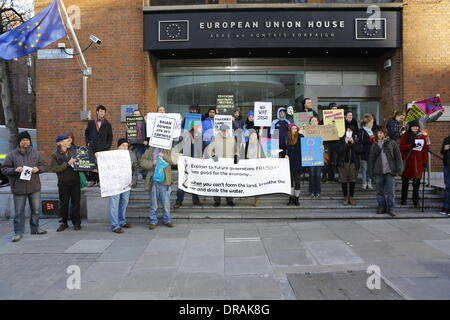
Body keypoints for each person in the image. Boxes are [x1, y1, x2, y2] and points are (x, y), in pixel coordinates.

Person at [1, 131, 48, 242]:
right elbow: (3, 169)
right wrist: (14, 170)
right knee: (19, 212)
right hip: (19, 188)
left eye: (27, 140)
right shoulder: (11, 155)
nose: (25, 142)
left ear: (30, 141)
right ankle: (18, 232)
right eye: (23, 140)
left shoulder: (36, 153)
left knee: (36, 210)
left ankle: (35, 228)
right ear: (19, 142)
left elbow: (45, 165)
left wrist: (39, 169)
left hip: (34, 187)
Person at [368, 126, 403, 216]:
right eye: (378, 133)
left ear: (385, 133)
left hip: (390, 171)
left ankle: (391, 208)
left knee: (390, 191)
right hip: (378, 172)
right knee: (379, 191)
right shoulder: (374, 144)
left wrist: (399, 168)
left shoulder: (392, 143)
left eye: (381, 133)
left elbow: (398, 157)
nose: (379, 134)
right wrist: (370, 172)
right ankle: (381, 207)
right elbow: (371, 159)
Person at [51, 135, 82, 232]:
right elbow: (55, 169)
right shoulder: (55, 155)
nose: (69, 142)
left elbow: (83, 163)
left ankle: (76, 222)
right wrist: (68, 163)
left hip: (75, 182)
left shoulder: (74, 152)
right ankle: (63, 222)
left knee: (76, 203)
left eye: (69, 141)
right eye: (67, 141)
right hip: (63, 183)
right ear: (60, 143)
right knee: (63, 204)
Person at [141, 144, 175, 229]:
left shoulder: (169, 149)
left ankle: (167, 220)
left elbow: (174, 160)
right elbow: (142, 161)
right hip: (153, 180)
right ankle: (153, 221)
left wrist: (164, 156)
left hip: (165, 180)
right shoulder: (150, 149)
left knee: (166, 202)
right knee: (153, 203)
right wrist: (152, 163)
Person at [107, 138, 136, 233]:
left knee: (124, 203)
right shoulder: (111, 155)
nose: (125, 147)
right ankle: (115, 226)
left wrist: (134, 181)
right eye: (123, 145)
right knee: (114, 205)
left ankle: (122, 221)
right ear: (118, 146)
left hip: (126, 183)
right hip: (114, 184)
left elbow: (136, 168)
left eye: (126, 146)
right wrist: (97, 156)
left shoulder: (131, 155)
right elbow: (102, 163)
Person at [206, 124, 239, 207]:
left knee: (229, 183)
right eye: (223, 131)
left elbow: (236, 150)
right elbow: (209, 150)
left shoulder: (232, 140)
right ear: (220, 131)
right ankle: (217, 200)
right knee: (217, 183)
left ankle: (229, 200)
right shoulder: (215, 139)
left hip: (229, 166)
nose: (225, 132)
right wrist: (214, 157)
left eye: (227, 130)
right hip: (218, 166)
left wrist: (236, 156)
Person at [172, 120, 203, 208]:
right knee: (182, 181)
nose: (200, 129)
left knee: (195, 181)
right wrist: (178, 154)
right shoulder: (185, 136)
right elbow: (176, 148)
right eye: (199, 127)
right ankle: (179, 201)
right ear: (194, 127)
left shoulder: (199, 137)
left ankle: (195, 199)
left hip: (195, 164)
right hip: (185, 163)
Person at [399, 120, 428, 207]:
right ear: (410, 127)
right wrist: (410, 146)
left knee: (417, 183)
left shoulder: (422, 137)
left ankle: (415, 200)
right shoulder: (405, 136)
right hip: (408, 161)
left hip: (418, 162)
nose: (415, 128)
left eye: (417, 126)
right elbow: (401, 147)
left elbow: (424, 151)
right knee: (405, 182)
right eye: (414, 126)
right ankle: (403, 199)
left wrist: (425, 162)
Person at [85, 105, 113, 187]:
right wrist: (88, 143)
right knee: (92, 164)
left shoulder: (107, 124)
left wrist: (107, 146)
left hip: (103, 148)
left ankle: (101, 180)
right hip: (92, 147)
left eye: (104, 112)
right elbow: (86, 133)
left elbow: (110, 136)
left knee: (102, 165)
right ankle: (93, 180)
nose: (102, 113)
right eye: (101, 111)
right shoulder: (91, 123)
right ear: (97, 112)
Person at [336, 126, 362, 206]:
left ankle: (351, 197)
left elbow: (360, 150)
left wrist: (353, 143)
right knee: (343, 180)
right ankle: (345, 197)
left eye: (350, 130)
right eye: (347, 130)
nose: (349, 131)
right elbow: (338, 151)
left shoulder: (356, 140)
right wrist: (345, 143)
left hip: (353, 164)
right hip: (343, 164)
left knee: (352, 181)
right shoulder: (341, 140)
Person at [240, 129, 266, 207]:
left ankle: (256, 200)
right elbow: (242, 156)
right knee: (247, 182)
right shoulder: (246, 144)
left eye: (255, 135)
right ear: (249, 136)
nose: (254, 136)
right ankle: (245, 194)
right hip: (248, 167)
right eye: (252, 135)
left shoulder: (260, 145)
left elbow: (263, 156)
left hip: (257, 168)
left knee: (257, 184)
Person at [285, 123, 304, 206]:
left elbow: (307, 146)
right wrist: (285, 154)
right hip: (289, 162)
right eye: (292, 128)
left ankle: (296, 198)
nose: (294, 130)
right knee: (290, 181)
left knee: (297, 181)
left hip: (298, 162)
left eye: (295, 128)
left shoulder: (301, 137)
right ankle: (291, 197)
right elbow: (285, 148)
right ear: (290, 130)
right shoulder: (287, 138)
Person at [306, 116, 323, 198]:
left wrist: (323, 147)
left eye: (315, 120)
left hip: (319, 155)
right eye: (312, 120)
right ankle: (311, 191)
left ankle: (318, 191)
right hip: (310, 155)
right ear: (310, 122)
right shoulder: (306, 131)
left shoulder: (322, 131)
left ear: (318, 122)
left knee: (318, 174)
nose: (314, 122)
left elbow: (325, 141)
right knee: (312, 174)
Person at [357, 114, 375, 190]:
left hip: (371, 152)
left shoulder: (371, 131)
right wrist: (370, 140)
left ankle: (369, 183)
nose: (372, 124)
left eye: (372, 122)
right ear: (367, 123)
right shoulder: (361, 131)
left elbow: (373, 141)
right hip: (364, 152)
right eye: (371, 122)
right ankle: (364, 183)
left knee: (370, 169)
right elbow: (360, 141)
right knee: (364, 169)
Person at [323, 103, 339, 182]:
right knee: (326, 159)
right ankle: (324, 175)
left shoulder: (340, 119)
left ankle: (331, 176)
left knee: (333, 159)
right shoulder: (324, 118)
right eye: (333, 108)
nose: (335, 110)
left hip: (335, 142)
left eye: (336, 109)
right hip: (327, 142)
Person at [440, 134, 450, 215]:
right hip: (447, 166)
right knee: (448, 186)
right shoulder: (446, 139)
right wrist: (444, 149)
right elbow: (442, 152)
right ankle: (446, 207)